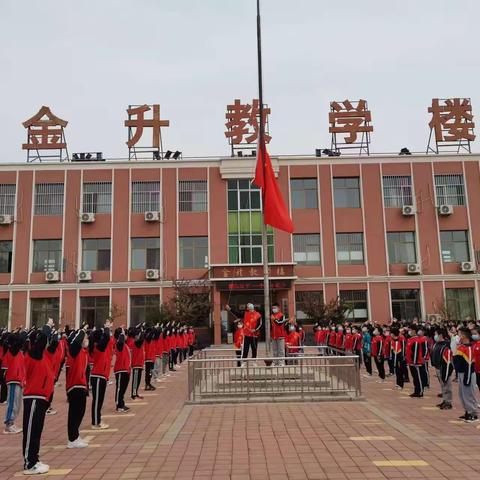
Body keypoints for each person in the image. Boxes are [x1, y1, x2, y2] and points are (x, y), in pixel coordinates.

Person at [22, 319, 55, 475]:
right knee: (31, 431)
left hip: (41, 398)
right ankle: (29, 463)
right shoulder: (32, 355)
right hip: (33, 397)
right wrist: (47, 326)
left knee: (37, 431)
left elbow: (49, 343)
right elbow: (42, 340)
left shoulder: (42, 355)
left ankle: (34, 459)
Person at [65, 326, 90, 448]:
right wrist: (82, 330)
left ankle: (75, 435)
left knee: (80, 411)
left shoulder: (83, 352)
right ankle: (72, 438)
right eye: (85, 338)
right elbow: (74, 341)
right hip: (74, 386)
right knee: (75, 413)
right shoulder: (74, 350)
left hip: (81, 385)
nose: (86, 340)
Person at [3, 330, 26, 434]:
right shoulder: (11, 351)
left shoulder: (19, 352)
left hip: (19, 380)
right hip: (13, 380)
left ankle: (12, 422)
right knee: (12, 403)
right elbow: (20, 341)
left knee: (17, 404)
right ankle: (8, 424)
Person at [89, 320, 112, 429]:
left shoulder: (101, 347)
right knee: (97, 400)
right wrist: (107, 327)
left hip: (101, 376)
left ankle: (98, 419)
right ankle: (95, 422)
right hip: (97, 376)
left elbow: (108, 339)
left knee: (100, 400)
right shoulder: (98, 347)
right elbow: (106, 338)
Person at [454, 327, 478, 422]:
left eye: (459, 334)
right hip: (461, 373)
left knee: (469, 394)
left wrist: (467, 379)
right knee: (462, 394)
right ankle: (467, 411)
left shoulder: (468, 348)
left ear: (464, 336)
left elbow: (469, 365)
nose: (458, 336)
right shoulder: (461, 346)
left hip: (467, 374)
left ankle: (473, 413)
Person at [431, 327, 453, 410]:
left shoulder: (446, 345)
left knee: (447, 385)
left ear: (440, 335)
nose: (435, 336)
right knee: (443, 385)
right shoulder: (436, 344)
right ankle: (444, 400)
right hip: (437, 367)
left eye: (436, 334)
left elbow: (448, 360)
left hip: (444, 368)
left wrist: (447, 371)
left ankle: (448, 402)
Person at [113, 327, 131, 413]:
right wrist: (121, 333)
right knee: (120, 388)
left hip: (126, 369)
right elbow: (120, 341)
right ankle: (118, 405)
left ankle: (121, 403)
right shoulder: (119, 344)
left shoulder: (125, 344)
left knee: (123, 388)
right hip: (120, 369)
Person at [406, 325, 425, 398]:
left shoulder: (416, 340)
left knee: (418, 377)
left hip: (416, 363)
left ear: (414, 331)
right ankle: (416, 391)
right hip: (411, 362)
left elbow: (416, 352)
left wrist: (414, 362)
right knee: (414, 378)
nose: (409, 331)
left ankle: (420, 392)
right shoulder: (410, 339)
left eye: (410, 330)